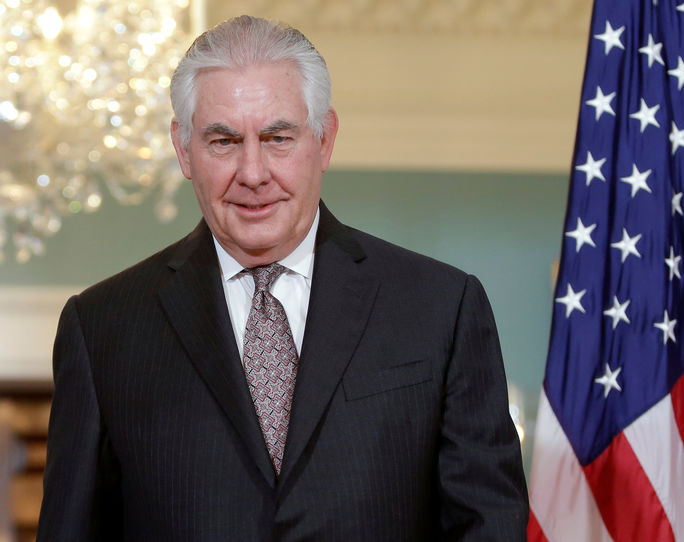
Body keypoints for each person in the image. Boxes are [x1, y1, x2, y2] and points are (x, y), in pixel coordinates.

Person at [37, 15, 528, 541]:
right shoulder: (102, 327)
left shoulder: (440, 307)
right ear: (183, 149)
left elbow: (489, 528)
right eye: (224, 141)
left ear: (325, 138)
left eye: (277, 137)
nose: (253, 173)